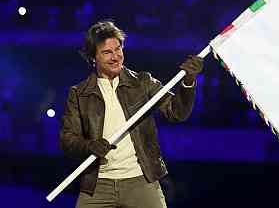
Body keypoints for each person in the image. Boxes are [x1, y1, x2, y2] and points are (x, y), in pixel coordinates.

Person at [60, 21, 203, 208]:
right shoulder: (79, 93)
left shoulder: (142, 82)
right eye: (107, 52)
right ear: (92, 57)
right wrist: (89, 146)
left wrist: (188, 82)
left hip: (141, 179)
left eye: (118, 49)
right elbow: (68, 139)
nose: (115, 57)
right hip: (98, 184)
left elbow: (177, 112)